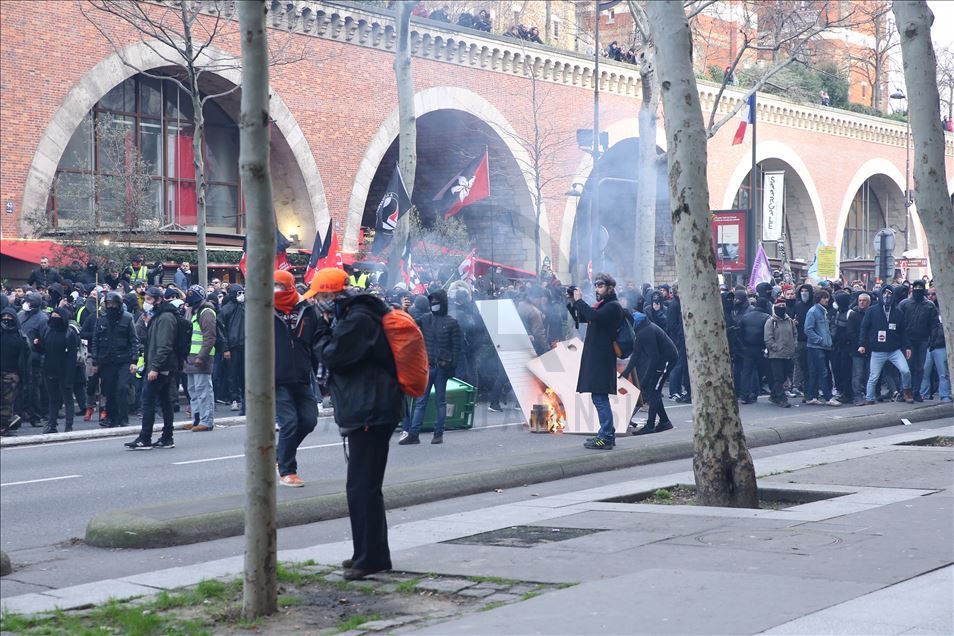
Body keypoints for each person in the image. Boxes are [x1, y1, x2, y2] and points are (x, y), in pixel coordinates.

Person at [312, 268, 405, 581]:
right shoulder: (359, 314)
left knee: (361, 487)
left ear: (333, 294)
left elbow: (336, 356)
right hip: (371, 407)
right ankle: (370, 553)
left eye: (321, 297)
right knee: (365, 487)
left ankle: (370, 558)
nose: (319, 305)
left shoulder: (360, 318)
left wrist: (320, 335)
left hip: (370, 409)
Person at [269, 270, 322, 487]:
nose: (276, 290)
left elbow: (315, 344)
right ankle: (287, 470)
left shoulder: (307, 310)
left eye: (280, 285)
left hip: (301, 376)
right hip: (276, 378)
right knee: (289, 422)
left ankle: (280, 455)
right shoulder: (262, 309)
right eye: (273, 285)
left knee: (309, 420)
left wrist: (322, 379)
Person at [570, 273, 625, 450]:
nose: (596, 289)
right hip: (598, 356)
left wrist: (579, 301)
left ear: (609, 287)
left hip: (602, 357)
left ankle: (606, 436)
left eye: (600, 285)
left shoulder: (613, 306)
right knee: (598, 396)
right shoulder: (604, 306)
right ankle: (607, 432)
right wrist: (574, 302)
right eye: (595, 285)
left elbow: (593, 316)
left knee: (600, 397)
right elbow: (585, 317)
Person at [400, 289, 461, 445]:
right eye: (432, 302)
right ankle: (414, 434)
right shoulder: (426, 319)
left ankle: (437, 433)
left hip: (441, 368)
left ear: (442, 303)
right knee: (422, 402)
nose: (434, 305)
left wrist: (451, 368)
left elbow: (456, 348)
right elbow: (409, 322)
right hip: (427, 367)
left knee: (439, 402)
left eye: (436, 302)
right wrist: (405, 310)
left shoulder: (452, 322)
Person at [125, 287, 178, 449]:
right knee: (164, 401)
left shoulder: (166, 318)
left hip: (161, 366)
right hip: (160, 365)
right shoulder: (157, 316)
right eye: (145, 299)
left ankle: (145, 437)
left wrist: (154, 368)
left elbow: (164, 346)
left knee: (148, 400)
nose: (146, 303)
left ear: (158, 300)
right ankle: (167, 437)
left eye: (149, 299)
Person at [91, 292, 139, 428]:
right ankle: (112, 418)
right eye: (108, 304)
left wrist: (134, 361)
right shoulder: (101, 320)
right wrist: (95, 361)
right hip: (106, 360)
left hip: (123, 360)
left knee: (122, 388)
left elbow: (134, 340)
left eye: (113, 304)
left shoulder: (127, 318)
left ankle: (123, 418)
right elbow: (95, 341)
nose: (111, 306)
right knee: (109, 390)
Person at [626, 311, 678, 435]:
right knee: (653, 391)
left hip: (667, 359)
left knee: (654, 392)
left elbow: (654, 357)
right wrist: (626, 371)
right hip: (660, 359)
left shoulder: (646, 332)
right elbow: (636, 353)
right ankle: (665, 422)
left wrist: (645, 379)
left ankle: (650, 425)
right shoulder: (641, 329)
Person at [860, 286, 913, 404]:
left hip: (894, 350)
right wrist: (862, 344)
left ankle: (907, 391)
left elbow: (903, 332)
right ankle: (869, 398)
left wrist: (907, 347)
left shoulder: (898, 312)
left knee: (905, 371)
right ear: (880, 295)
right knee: (873, 376)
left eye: (889, 294)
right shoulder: (872, 311)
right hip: (877, 350)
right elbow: (864, 328)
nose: (887, 296)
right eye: (884, 294)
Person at [34, 307, 79, 433]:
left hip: (64, 372)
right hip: (49, 370)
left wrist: (70, 377)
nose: (54, 318)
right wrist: (37, 345)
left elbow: (72, 358)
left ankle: (68, 426)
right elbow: (44, 350)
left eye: (57, 316)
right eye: (52, 315)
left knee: (67, 399)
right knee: (52, 399)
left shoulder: (70, 334)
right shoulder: (48, 331)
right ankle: (52, 424)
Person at [183, 285, 217, 432]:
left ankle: (206, 420)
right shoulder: (193, 311)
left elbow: (210, 337)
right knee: (193, 391)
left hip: (200, 358)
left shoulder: (206, 312)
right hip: (191, 357)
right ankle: (197, 419)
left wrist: (201, 356)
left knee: (203, 391)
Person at [898, 279, 938, 403]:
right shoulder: (904, 304)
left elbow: (934, 325)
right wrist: (901, 340)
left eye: (920, 287)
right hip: (908, 340)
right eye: (916, 287)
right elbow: (899, 323)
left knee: (919, 368)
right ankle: (903, 391)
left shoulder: (929, 305)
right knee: (907, 368)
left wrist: (933, 340)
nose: (918, 290)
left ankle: (915, 392)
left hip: (922, 340)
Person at [804, 289, 840, 406]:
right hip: (816, 346)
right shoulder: (813, 311)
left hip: (822, 346)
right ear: (818, 298)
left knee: (815, 371)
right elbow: (808, 329)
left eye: (827, 298)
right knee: (823, 371)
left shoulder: (822, 311)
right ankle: (828, 397)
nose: (826, 300)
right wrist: (820, 340)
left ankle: (811, 396)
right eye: (824, 298)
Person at [1, 307, 31, 436]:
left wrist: (23, 375)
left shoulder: (20, 337)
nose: (6, 320)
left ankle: (3, 426)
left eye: (9, 317)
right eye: (4, 317)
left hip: (12, 374)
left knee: (7, 403)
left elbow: (26, 357)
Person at [764, 301, 796, 408]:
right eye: (779, 306)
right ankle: (781, 398)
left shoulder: (790, 321)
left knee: (784, 376)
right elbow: (768, 338)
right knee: (778, 377)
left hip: (788, 353)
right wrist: (775, 347)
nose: (781, 308)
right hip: (776, 355)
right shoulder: (771, 322)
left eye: (783, 306)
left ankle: (774, 394)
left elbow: (794, 333)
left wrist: (793, 345)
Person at [738, 298, 771, 404]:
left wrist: (742, 345)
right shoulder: (767, 317)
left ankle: (744, 395)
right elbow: (768, 334)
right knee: (764, 371)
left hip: (747, 347)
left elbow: (740, 333)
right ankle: (757, 392)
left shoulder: (746, 316)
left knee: (747, 372)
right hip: (761, 347)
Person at [920, 288, 949, 401]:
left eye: (934, 294)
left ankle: (945, 395)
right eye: (929, 294)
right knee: (924, 372)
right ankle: (924, 394)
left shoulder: (944, 310)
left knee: (943, 373)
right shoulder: (925, 309)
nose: (931, 296)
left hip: (940, 345)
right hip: (928, 345)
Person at [220, 284, 246, 413]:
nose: (241, 295)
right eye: (239, 293)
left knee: (243, 374)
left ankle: (244, 399)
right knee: (232, 374)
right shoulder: (226, 310)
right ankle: (234, 398)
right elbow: (221, 331)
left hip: (244, 345)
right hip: (233, 346)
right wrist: (225, 348)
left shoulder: (245, 307)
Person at [846, 293, 872, 406]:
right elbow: (850, 333)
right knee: (858, 373)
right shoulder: (853, 315)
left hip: (871, 348)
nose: (861, 302)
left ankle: (869, 394)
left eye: (864, 300)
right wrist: (859, 345)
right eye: (860, 300)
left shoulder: (872, 314)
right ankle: (857, 396)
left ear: (869, 302)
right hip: (857, 349)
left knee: (870, 373)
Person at [517, 287, 547, 356]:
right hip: (533, 346)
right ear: (536, 298)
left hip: (521, 342)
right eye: (540, 298)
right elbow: (539, 333)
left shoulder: (521, 304)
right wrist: (546, 348)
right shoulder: (534, 312)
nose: (541, 301)